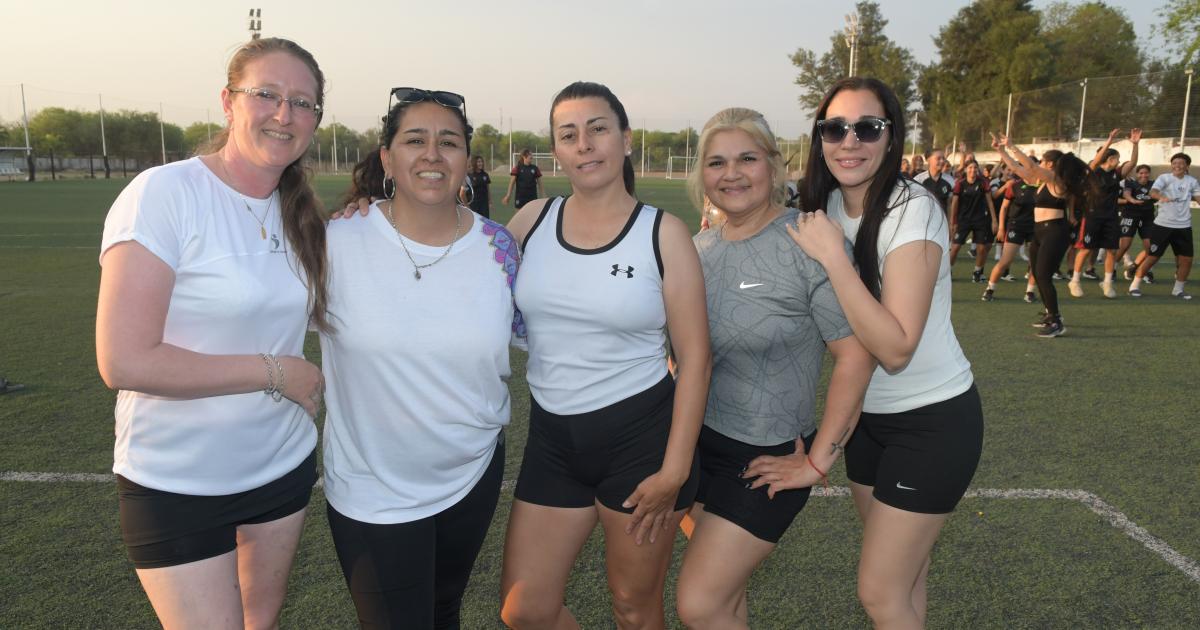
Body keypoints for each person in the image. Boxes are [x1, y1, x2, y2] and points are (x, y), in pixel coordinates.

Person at [95, 38, 328, 628]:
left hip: (281, 465)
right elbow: (123, 360)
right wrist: (273, 370)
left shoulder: (303, 213)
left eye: (302, 103)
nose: (284, 114)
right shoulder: (165, 194)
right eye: (267, 95)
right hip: (176, 478)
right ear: (228, 101)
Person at [499, 81, 711, 629]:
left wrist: (675, 470)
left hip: (641, 446)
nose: (584, 144)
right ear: (557, 150)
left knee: (634, 610)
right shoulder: (531, 222)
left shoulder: (663, 234)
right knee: (525, 610)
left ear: (625, 139)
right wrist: (373, 207)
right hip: (553, 442)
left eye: (597, 129)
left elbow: (695, 358)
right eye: (568, 135)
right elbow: (453, 263)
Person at [322, 88, 523, 629]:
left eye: (448, 142)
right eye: (415, 140)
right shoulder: (334, 242)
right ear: (387, 157)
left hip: (473, 471)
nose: (432, 154)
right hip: (372, 486)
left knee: (442, 611)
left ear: (467, 160)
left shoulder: (500, 250)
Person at [788, 77, 983, 628]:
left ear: (891, 137)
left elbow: (896, 348)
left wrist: (836, 259)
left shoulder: (912, 210)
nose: (849, 142)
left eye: (866, 128)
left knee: (879, 592)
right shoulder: (822, 204)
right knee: (905, 585)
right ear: (820, 138)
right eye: (834, 128)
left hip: (932, 422)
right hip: (867, 422)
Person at [675, 107, 874, 629]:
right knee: (725, 603)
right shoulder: (698, 249)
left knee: (698, 603)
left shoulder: (808, 243)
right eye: (717, 162)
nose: (732, 174)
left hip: (766, 459)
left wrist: (816, 463)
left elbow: (856, 356)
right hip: (698, 449)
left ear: (774, 165)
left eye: (747, 158)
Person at [992, 135, 1090, 337]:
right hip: (1040, 232)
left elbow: (1031, 167)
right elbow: (1019, 169)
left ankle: (1056, 321)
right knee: (1037, 274)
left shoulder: (1058, 181)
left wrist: (1012, 145)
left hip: (1055, 231)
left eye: (1044, 161)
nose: (1039, 164)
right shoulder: (1042, 182)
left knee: (1044, 275)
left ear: (1051, 165)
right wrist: (1001, 152)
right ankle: (1050, 314)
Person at [1068, 128, 1140, 299]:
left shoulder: (1116, 174)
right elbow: (1098, 159)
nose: (1119, 162)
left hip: (1111, 217)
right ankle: (1075, 281)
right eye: (1117, 158)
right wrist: (1109, 141)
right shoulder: (1093, 171)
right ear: (1111, 158)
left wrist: (1136, 145)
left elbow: (1133, 164)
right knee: (1086, 249)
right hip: (1092, 216)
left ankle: (1107, 283)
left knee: (1111, 251)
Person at [1128, 152, 1199, 299]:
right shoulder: (1164, 178)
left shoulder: (1192, 181)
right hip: (1163, 225)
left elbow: (1198, 197)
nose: (1177, 165)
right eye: (1175, 163)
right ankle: (1134, 285)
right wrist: (1161, 197)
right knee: (1153, 256)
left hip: (1184, 226)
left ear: (1187, 166)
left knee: (1186, 259)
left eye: (1181, 163)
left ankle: (1178, 290)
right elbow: (1153, 191)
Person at [982, 173, 1038, 303]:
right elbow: (1004, 207)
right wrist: (1001, 227)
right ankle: (989, 289)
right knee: (1005, 260)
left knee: (1035, 262)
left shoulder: (1042, 185)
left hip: (1035, 228)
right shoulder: (1015, 186)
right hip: (1016, 227)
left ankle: (1030, 291)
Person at [947, 160, 998, 282]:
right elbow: (954, 204)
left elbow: (990, 202)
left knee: (981, 248)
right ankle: (947, 271)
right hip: (963, 220)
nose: (973, 170)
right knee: (955, 248)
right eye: (970, 167)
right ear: (965, 169)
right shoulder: (960, 184)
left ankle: (977, 272)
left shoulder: (983, 183)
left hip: (980, 220)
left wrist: (994, 220)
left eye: (975, 167)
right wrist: (953, 222)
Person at [1118, 165, 1156, 281]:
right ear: (1137, 174)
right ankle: (1112, 268)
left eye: (1146, 173)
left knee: (1150, 248)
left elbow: (1158, 195)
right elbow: (1126, 194)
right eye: (1141, 173)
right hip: (1130, 216)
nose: (1143, 175)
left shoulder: (1154, 184)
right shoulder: (1130, 183)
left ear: (1149, 174)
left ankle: (1135, 268)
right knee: (1124, 245)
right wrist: (1132, 200)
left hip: (1147, 218)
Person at [912, 148, 954, 215]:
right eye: (938, 158)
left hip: (942, 221)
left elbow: (950, 205)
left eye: (943, 158)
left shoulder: (950, 180)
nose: (942, 161)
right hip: (923, 220)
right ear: (928, 160)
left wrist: (949, 223)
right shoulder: (918, 180)